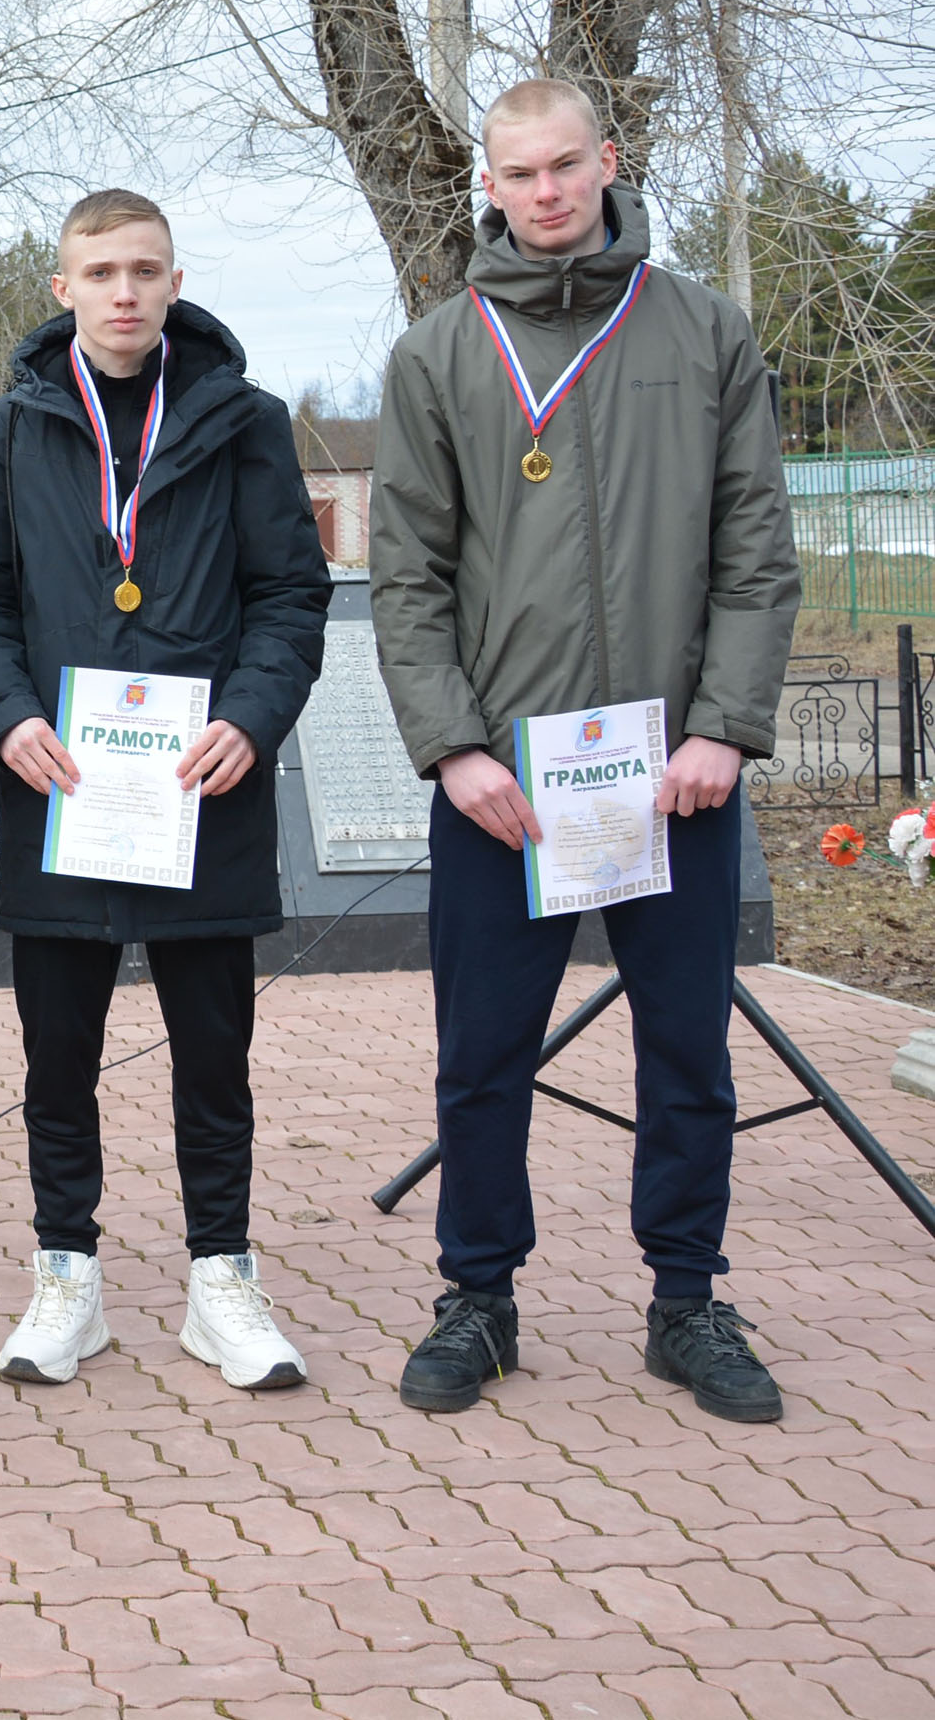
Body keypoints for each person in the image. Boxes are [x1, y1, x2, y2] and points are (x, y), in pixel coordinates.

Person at [371, 80, 799, 1422]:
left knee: (687, 1052)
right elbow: (406, 580)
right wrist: (452, 751)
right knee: (483, 1052)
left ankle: (687, 1300)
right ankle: (478, 1302)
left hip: (675, 777)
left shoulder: (702, 332)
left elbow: (755, 553)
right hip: (507, 789)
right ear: (486, 187)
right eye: (519, 173)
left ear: (606, 163)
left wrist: (724, 725)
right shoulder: (440, 353)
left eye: (567, 166)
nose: (546, 192)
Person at [0, 189, 329, 1391]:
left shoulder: (247, 423)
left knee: (213, 1059)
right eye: (101, 271)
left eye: (146, 269)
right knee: (57, 1058)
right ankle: (68, 1274)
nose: (124, 291)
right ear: (60, 287)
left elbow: (290, 595)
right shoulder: (7, 431)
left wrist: (252, 718)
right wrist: (5, 714)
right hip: (60, 793)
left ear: (174, 282)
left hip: (202, 789)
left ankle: (221, 1278)